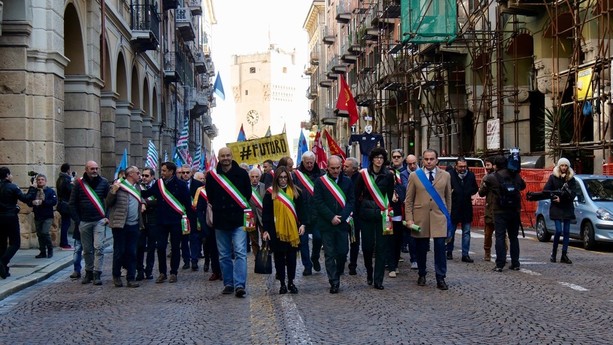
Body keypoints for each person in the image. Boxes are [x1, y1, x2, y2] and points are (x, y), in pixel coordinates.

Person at [206, 147, 252, 297]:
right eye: (222, 156)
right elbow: (210, 197)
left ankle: (239, 285)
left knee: (240, 253)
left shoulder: (242, 174)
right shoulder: (212, 176)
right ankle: (228, 283)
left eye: (228, 155)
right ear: (219, 158)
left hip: (237, 219)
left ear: (232, 156)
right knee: (224, 255)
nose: (225, 158)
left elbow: (247, 194)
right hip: (220, 220)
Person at [404, 149, 452, 290]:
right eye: (426, 159)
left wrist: (448, 217)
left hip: (439, 217)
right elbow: (409, 200)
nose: (429, 161)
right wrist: (409, 219)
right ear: (422, 160)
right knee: (421, 248)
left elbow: (448, 198)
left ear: (437, 160)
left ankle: (440, 277)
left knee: (439, 248)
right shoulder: (414, 176)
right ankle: (422, 273)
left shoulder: (446, 175)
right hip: (420, 218)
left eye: (432, 159)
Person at [141, 161, 191, 284]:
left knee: (175, 247)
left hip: (175, 220)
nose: (162, 172)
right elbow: (147, 194)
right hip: (161, 221)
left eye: (164, 170)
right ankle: (162, 272)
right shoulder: (159, 184)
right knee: (161, 247)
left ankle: (173, 272)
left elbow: (187, 204)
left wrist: (189, 220)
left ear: (171, 171)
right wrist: (134, 187)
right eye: (161, 170)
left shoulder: (181, 184)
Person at [354, 147, 394, 290]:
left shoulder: (389, 176)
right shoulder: (362, 175)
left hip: (383, 216)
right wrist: (357, 214)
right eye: (376, 157)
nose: (379, 160)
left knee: (382, 248)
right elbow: (356, 196)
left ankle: (378, 279)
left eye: (381, 158)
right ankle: (369, 271)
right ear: (372, 159)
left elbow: (389, 196)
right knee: (367, 247)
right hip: (366, 216)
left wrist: (390, 210)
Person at [313, 156, 355, 293]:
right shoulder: (320, 182)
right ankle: (334, 281)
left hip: (342, 224)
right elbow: (318, 202)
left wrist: (342, 217)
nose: (336, 171)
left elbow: (351, 201)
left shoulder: (347, 182)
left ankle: (338, 271)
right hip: (327, 223)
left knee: (343, 252)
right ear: (328, 168)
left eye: (338, 168)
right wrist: (331, 217)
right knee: (330, 254)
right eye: (333, 168)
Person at [262, 166, 306, 294]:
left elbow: (302, 210)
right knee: (279, 258)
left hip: (293, 231)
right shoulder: (270, 193)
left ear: (289, 178)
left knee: (292, 258)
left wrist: (303, 224)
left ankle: (291, 282)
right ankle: (282, 283)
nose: (283, 180)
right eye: (280, 177)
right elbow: (266, 214)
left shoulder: (296, 192)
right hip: (276, 230)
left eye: (285, 177)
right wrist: (265, 230)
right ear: (276, 178)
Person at [480, 155, 526, 272]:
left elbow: (481, 192)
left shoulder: (491, 177)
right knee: (513, 237)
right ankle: (515, 263)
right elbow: (523, 186)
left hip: (499, 210)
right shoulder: (515, 175)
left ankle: (500, 264)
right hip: (514, 210)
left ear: (495, 165)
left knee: (500, 237)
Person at [69, 161, 110, 285]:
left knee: (99, 247)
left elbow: (109, 201)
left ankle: (97, 273)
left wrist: (107, 217)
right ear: (86, 169)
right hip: (84, 221)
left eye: (97, 168)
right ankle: (89, 272)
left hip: (99, 221)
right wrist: (78, 220)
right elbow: (72, 203)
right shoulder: (79, 184)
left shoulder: (104, 182)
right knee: (87, 250)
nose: (95, 171)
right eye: (92, 168)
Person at [107, 166, 143, 288]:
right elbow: (108, 203)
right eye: (138, 173)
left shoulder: (137, 187)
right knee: (119, 251)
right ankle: (116, 275)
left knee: (132, 252)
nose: (140, 175)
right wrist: (113, 191)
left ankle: (131, 278)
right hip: (120, 224)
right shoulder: (118, 185)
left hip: (134, 224)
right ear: (130, 174)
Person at [0, 167, 37, 279]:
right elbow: (26, 198)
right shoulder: (12, 187)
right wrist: (32, 188)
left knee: (1, 244)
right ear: (7, 175)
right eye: (10, 174)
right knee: (15, 243)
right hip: (10, 217)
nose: (12, 176)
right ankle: (2, 262)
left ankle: (4, 270)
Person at [293, 151, 324, 276]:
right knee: (303, 242)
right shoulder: (295, 175)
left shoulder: (321, 174)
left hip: (317, 214)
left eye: (312, 162)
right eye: (307, 163)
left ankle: (315, 257)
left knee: (318, 238)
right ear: (303, 162)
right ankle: (307, 265)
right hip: (302, 214)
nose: (310, 165)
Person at [543, 157, 577, 264]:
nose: (564, 167)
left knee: (566, 232)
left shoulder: (571, 179)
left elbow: (573, 193)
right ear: (559, 166)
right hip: (557, 208)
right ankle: (553, 253)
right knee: (558, 231)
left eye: (566, 165)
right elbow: (546, 190)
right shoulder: (553, 177)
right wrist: (554, 197)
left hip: (567, 207)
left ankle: (564, 254)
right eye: (562, 165)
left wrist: (561, 198)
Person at [446, 157, 479, 263]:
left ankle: (465, 254)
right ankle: (449, 251)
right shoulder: (450, 174)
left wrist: (468, 192)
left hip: (466, 207)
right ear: (456, 166)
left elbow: (475, 188)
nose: (463, 168)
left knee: (466, 232)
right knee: (451, 231)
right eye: (460, 166)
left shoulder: (470, 175)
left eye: (464, 166)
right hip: (454, 207)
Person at [27, 174, 58, 259]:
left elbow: (54, 202)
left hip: (47, 216)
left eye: (42, 179)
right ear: (36, 181)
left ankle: (50, 249)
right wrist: (32, 202)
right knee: (40, 234)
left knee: (45, 232)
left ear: (45, 181)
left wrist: (43, 202)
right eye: (39, 180)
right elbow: (28, 201)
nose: (40, 181)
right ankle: (42, 251)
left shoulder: (50, 191)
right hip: (38, 215)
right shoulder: (34, 191)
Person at [136, 167, 158, 280]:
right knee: (139, 247)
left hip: (153, 221)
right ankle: (139, 270)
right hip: (141, 221)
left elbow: (158, 201)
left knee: (151, 247)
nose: (144, 178)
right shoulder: (137, 187)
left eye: (146, 176)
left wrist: (145, 203)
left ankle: (149, 270)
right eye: (143, 175)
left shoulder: (158, 186)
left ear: (152, 176)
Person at [388, 149, 407, 278]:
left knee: (396, 242)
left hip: (398, 217)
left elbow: (405, 198)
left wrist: (398, 197)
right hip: (386, 218)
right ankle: (390, 265)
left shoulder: (400, 186)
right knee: (388, 242)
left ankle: (394, 264)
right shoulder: (383, 188)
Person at [400, 154, 418, 269]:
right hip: (410, 208)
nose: (412, 166)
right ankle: (414, 259)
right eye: (409, 164)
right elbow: (408, 189)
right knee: (411, 235)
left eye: (414, 163)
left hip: (422, 208)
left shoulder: (422, 172)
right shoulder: (404, 174)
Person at [343, 156, 361, 275]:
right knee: (343, 240)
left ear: (354, 169)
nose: (343, 168)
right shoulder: (341, 178)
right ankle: (341, 258)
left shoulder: (360, 178)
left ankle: (353, 265)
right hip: (343, 214)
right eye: (343, 166)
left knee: (354, 241)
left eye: (346, 166)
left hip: (356, 215)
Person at [479, 156, 496, 261]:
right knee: (488, 233)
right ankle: (487, 252)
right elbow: (481, 193)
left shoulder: (501, 177)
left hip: (499, 209)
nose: (487, 167)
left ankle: (503, 252)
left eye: (488, 165)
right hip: (489, 208)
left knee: (502, 234)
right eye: (486, 165)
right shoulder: (486, 178)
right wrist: (485, 185)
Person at [248, 167, 266, 256]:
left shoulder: (264, 186)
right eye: (252, 176)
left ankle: (264, 255)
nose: (254, 179)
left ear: (260, 177)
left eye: (256, 176)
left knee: (264, 237)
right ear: (249, 177)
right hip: (250, 216)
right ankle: (256, 256)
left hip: (262, 215)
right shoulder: (246, 187)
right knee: (253, 239)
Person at [56, 163, 73, 250]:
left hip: (61, 203)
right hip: (65, 204)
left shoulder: (60, 179)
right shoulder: (67, 179)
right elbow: (70, 191)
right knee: (66, 224)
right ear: (68, 170)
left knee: (65, 223)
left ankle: (63, 242)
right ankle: (64, 243)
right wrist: (73, 183)